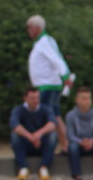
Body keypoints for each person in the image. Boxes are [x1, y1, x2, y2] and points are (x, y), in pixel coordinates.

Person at [26, 15, 73, 154]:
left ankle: (49, 145)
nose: (28, 31)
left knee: (47, 117)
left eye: (30, 28)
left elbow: (56, 59)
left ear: (37, 28)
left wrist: (65, 75)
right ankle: (65, 145)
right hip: (46, 85)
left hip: (48, 86)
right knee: (55, 116)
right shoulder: (42, 42)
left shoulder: (45, 42)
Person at [9, 87, 57, 180]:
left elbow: (52, 124)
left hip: (41, 143)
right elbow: (15, 125)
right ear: (25, 98)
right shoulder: (18, 110)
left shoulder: (46, 109)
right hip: (26, 143)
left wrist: (38, 134)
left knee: (53, 135)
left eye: (37, 97)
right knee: (14, 135)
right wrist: (30, 137)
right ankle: (23, 167)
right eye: (32, 98)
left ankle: (44, 166)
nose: (35, 100)